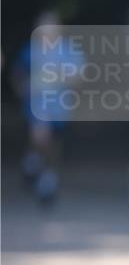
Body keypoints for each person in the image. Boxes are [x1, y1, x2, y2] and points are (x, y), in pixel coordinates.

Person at [12, 11, 86, 204]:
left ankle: (41, 171)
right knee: (40, 135)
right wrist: (22, 87)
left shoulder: (68, 50)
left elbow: (79, 76)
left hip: (60, 106)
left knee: (53, 144)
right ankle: (42, 174)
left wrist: (62, 77)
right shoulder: (32, 49)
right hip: (37, 104)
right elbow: (19, 73)